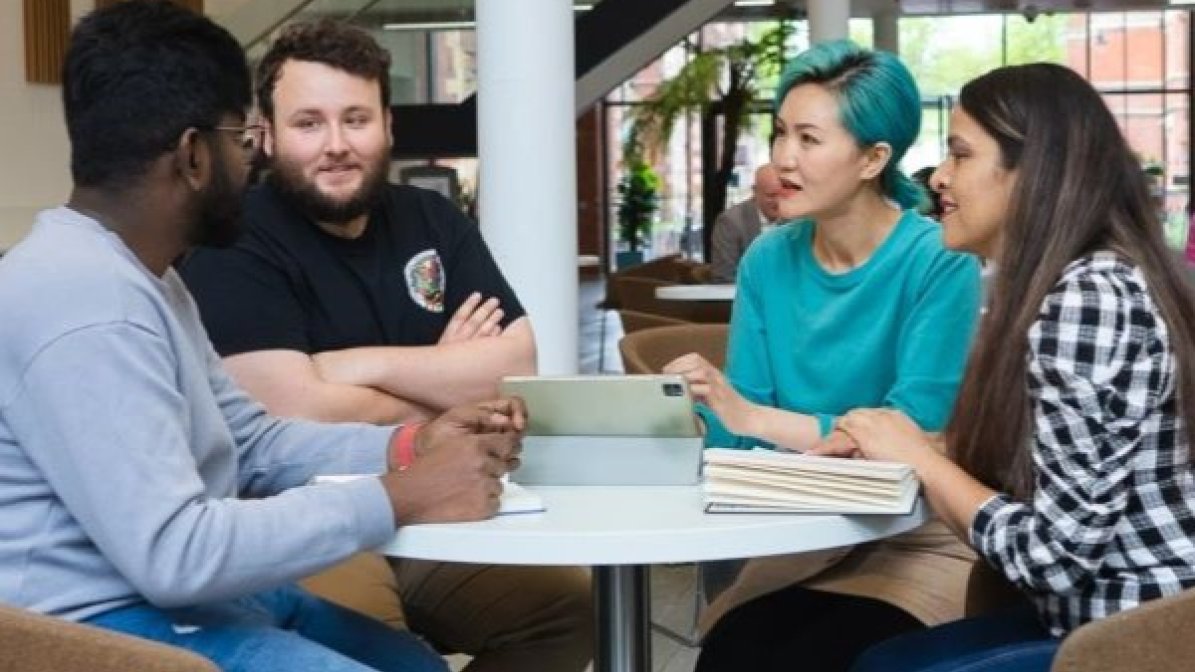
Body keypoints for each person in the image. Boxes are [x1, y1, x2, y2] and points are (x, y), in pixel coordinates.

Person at [0, 3, 530, 672]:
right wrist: (404, 494)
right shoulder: (85, 301)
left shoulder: (143, 277)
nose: (247, 159)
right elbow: (178, 553)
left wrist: (408, 444)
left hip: (180, 600)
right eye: (239, 138)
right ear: (195, 156)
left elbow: (248, 442)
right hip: (98, 628)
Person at [178, 20, 591, 672]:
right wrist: (444, 384)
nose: (336, 145)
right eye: (309, 123)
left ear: (389, 126)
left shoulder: (431, 218)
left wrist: (349, 366)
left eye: (356, 119)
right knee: (373, 641)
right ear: (267, 135)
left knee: (563, 609)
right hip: (304, 520)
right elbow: (288, 415)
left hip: (444, 497)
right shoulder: (234, 237)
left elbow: (515, 367)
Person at [833, 63, 1195, 672]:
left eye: (960, 155)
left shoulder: (1085, 300)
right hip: (1119, 616)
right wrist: (920, 446)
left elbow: (1053, 557)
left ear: (1033, 175)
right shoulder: (1099, 276)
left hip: (1135, 635)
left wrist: (918, 458)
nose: (938, 179)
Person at [662, 40, 982, 671]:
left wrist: (753, 419)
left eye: (809, 139)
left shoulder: (939, 259)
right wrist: (696, 414)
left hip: (913, 535)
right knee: (728, 658)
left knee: (822, 658)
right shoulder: (767, 258)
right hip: (799, 529)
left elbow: (911, 431)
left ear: (873, 158)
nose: (782, 158)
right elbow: (741, 430)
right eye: (781, 132)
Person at [709, 164, 783, 282]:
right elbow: (725, 276)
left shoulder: (797, 219)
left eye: (783, 195)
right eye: (771, 195)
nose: (778, 202)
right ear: (755, 191)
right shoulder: (731, 222)